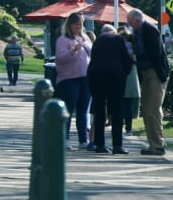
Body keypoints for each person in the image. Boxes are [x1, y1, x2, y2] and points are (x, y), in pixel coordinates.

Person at [127, 9, 170, 156]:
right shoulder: (140, 32)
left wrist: (137, 57)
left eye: (130, 23)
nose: (129, 25)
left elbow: (155, 53)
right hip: (147, 73)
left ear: (137, 21)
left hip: (155, 73)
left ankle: (157, 144)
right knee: (146, 110)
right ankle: (154, 143)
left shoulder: (150, 31)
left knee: (152, 109)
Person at [87, 25, 134, 154]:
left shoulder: (98, 41)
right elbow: (126, 60)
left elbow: (92, 60)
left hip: (96, 76)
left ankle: (99, 144)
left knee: (100, 111)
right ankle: (117, 145)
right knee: (117, 111)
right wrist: (126, 72)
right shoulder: (118, 39)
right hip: (115, 77)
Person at [54, 12, 92, 150]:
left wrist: (86, 47)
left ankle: (83, 140)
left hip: (85, 78)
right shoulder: (63, 40)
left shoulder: (85, 38)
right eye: (76, 24)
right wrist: (73, 51)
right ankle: (65, 139)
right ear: (70, 25)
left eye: (81, 24)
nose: (79, 27)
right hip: (69, 79)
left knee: (83, 111)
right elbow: (60, 59)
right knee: (68, 110)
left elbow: (91, 53)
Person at [118, 26, 141, 136]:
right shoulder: (134, 47)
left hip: (123, 77)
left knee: (121, 104)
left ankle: (122, 126)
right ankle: (128, 127)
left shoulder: (123, 47)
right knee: (128, 105)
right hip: (131, 78)